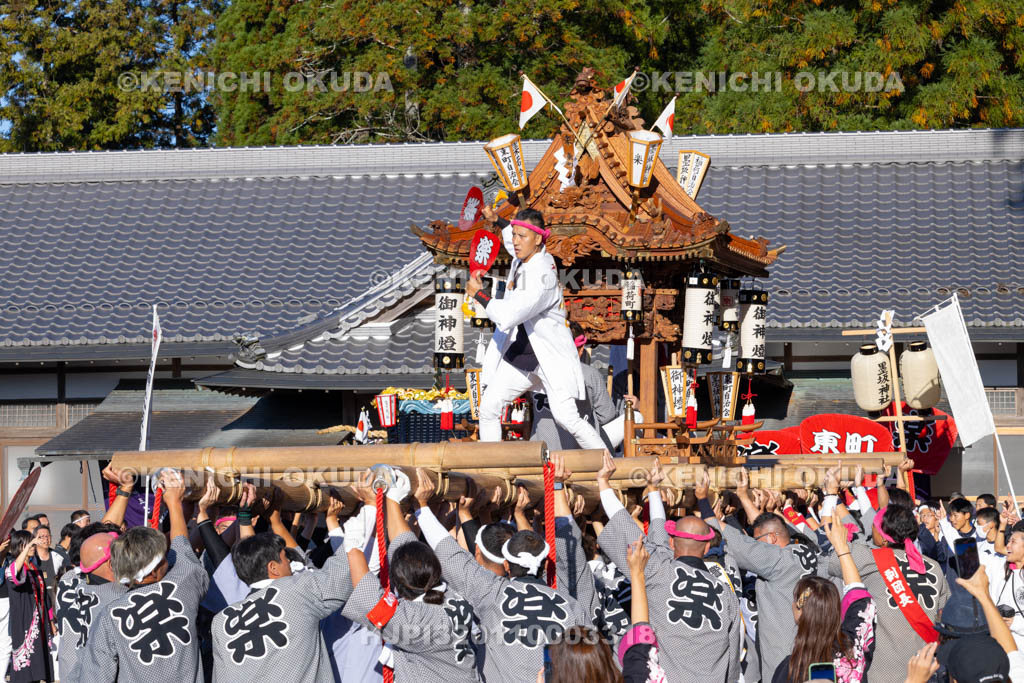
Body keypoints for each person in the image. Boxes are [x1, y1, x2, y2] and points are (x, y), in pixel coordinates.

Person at [412, 467, 588, 682]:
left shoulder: (492, 592)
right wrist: (557, 487)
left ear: (506, 563)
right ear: (544, 563)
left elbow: (450, 553)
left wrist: (422, 506)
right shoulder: (570, 605)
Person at [466, 204, 606, 450]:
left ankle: (607, 463)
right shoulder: (528, 254)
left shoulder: (541, 276)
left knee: (567, 419)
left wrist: (480, 295)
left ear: (538, 239)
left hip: (550, 356)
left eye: (522, 236)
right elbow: (511, 237)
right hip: (525, 354)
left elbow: (508, 315)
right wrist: (497, 220)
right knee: (488, 408)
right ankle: (493, 467)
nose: (515, 241)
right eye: (515, 235)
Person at [598, 456, 743, 682]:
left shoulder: (658, 571)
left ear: (673, 543)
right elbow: (733, 657)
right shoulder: (726, 593)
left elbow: (624, 525)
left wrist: (604, 484)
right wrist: (653, 489)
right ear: (706, 547)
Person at [344, 469, 478, 682]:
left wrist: (352, 546)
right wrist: (393, 499)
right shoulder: (454, 595)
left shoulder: (417, 621)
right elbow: (407, 550)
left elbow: (369, 599)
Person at [79, 470, 209, 682]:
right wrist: (174, 503)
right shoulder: (183, 587)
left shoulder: (110, 614)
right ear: (156, 569)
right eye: (164, 558)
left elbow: (96, 677)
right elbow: (183, 547)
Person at [211, 491, 354, 682]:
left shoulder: (221, 622)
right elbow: (346, 569)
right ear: (273, 568)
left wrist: (271, 520)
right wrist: (345, 522)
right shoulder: (296, 590)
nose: (291, 564)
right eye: (286, 559)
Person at [704, 467, 821, 682]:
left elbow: (742, 545)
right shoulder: (811, 550)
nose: (755, 544)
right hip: (817, 653)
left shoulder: (777, 561)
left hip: (786, 658)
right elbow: (767, 530)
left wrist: (704, 505)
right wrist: (742, 497)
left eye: (757, 540)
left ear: (773, 539)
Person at [834, 504, 950, 677]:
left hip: (881, 671)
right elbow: (943, 614)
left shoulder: (867, 557)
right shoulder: (934, 567)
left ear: (884, 538)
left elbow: (827, 563)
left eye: (874, 525)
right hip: (924, 669)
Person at [772, 520, 876, 683]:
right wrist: (842, 549)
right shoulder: (854, 649)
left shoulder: (792, 668)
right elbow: (860, 598)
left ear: (800, 613)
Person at [530, 320, 640, 452]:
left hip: (538, 448)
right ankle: (629, 461)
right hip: (582, 450)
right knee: (637, 417)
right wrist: (627, 409)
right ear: (581, 349)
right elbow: (607, 416)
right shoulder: (588, 373)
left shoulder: (534, 371)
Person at [6, 530, 55, 682]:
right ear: (19, 546)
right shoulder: (14, 567)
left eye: (32, 543)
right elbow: (12, 575)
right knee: (26, 671)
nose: (32, 546)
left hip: (40, 622)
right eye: (28, 543)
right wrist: (29, 547)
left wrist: (51, 621)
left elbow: (45, 598)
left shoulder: (34, 568)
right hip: (24, 622)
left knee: (40, 665)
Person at [32, 526, 63, 604]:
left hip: (56, 601)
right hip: (40, 602)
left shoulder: (58, 557)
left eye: (48, 536)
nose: (46, 539)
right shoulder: (31, 559)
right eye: (42, 536)